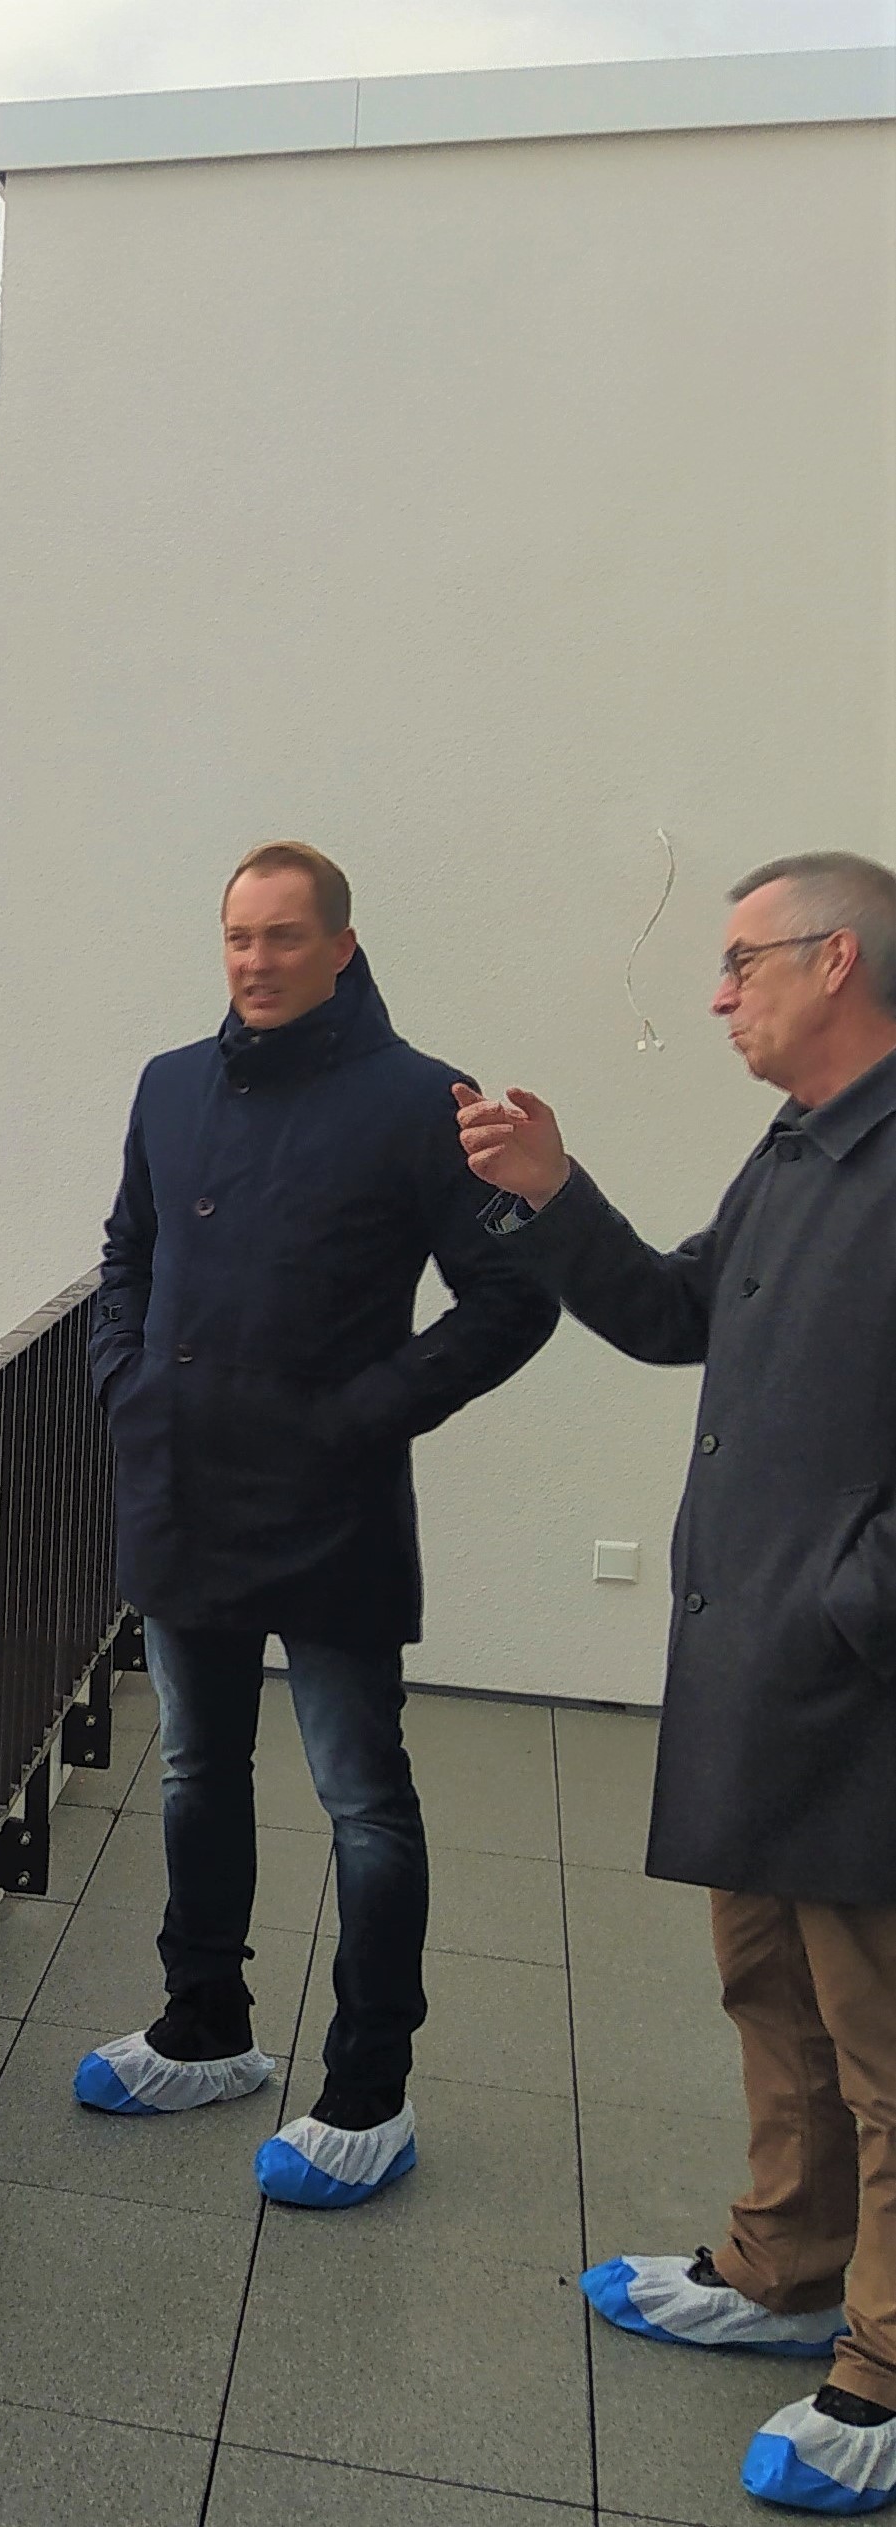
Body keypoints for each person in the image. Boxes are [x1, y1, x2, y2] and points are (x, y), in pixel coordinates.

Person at [456, 850, 896, 2516]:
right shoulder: (800, 1148)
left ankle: (883, 2363)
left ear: (833, 960)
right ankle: (783, 2270)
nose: (714, 994)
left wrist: (848, 1614)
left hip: (854, 1683)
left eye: (738, 962)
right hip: (760, 1670)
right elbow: (668, 1316)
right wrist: (554, 1191)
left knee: (882, 2041)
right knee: (769, 1996)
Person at [78, 841, 557, 2210]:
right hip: (178, 1485)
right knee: (192, 1773)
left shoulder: (421, 1102)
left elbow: (509, 1300)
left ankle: (366, 2095)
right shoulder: (169, 1085)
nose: (255, 961)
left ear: (340, 946)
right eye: (236, 937)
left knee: (361, 1802)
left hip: (329, 1503)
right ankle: (202, 2029)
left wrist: (362, 1414)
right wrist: (121, 1379)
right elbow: (126, 1254)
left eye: (283, 938)